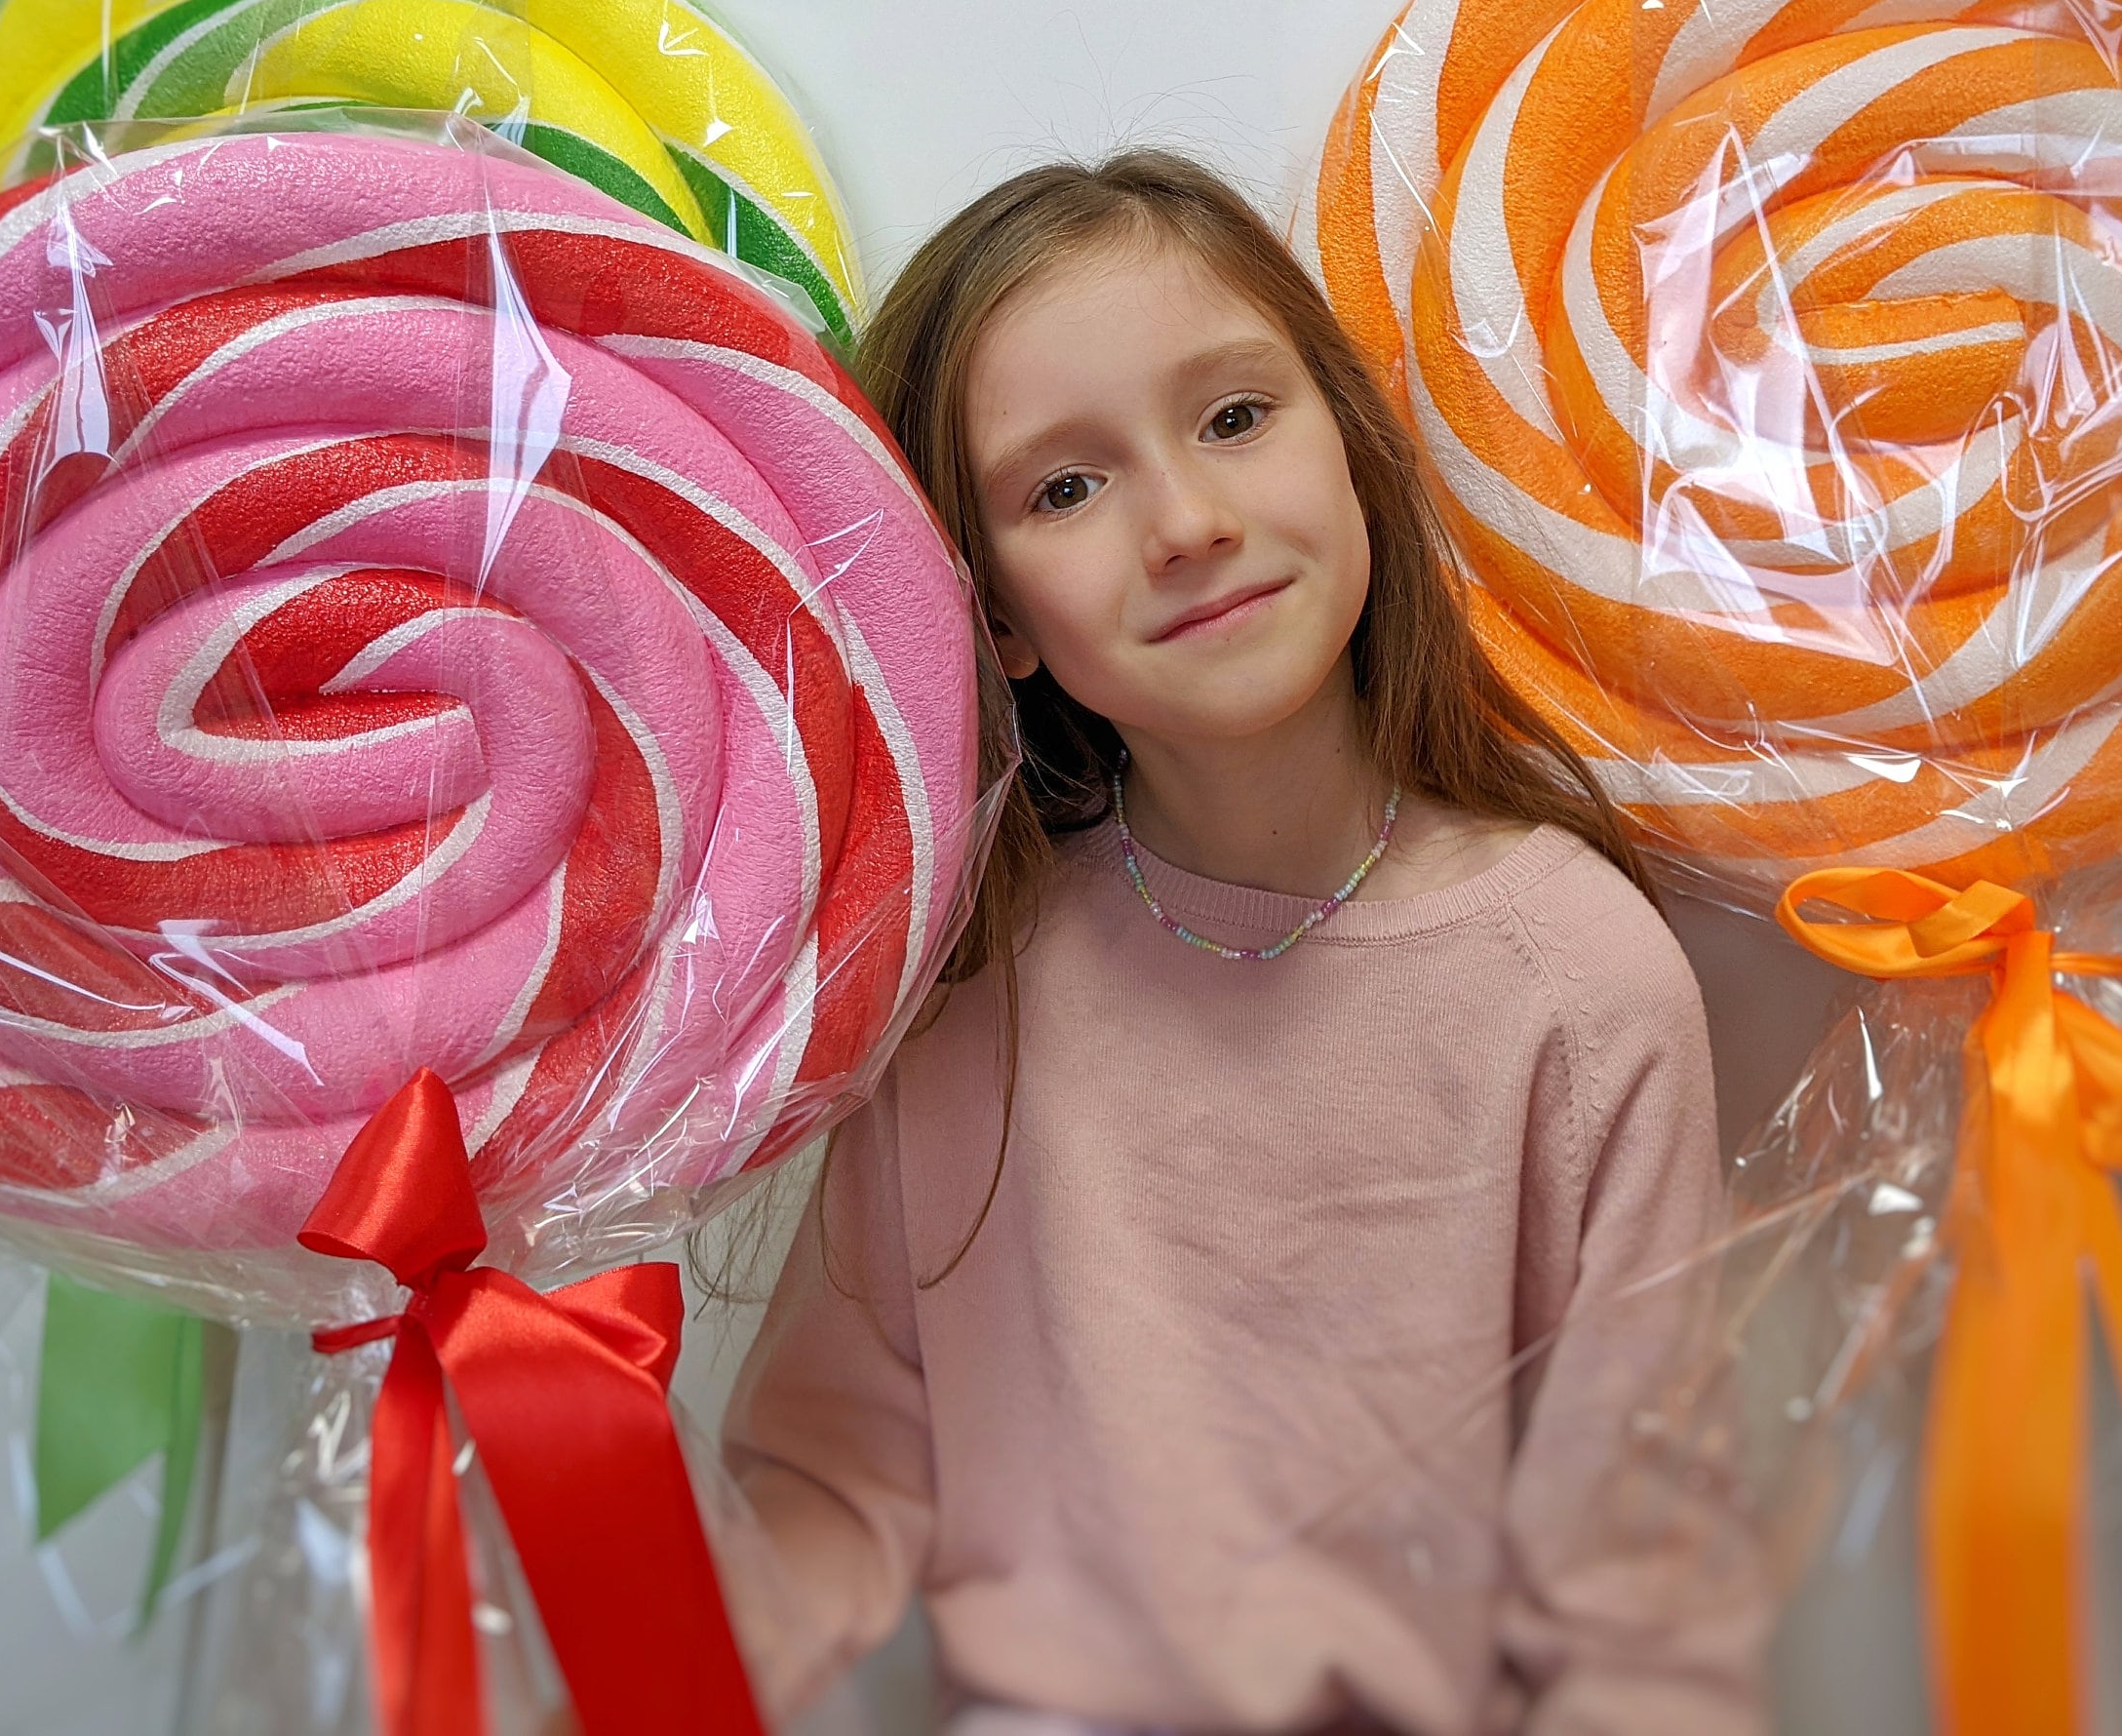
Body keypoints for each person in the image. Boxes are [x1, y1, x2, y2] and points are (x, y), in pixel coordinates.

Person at [717, 152, 1758, 1734]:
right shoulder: (967, 989)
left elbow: (1643, 1613)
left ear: (1349, 446)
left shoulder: (1577, 980)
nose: (1188, 523)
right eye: (1064, 489)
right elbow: (828, 1479)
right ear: (993, 612)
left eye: (1234, 417)